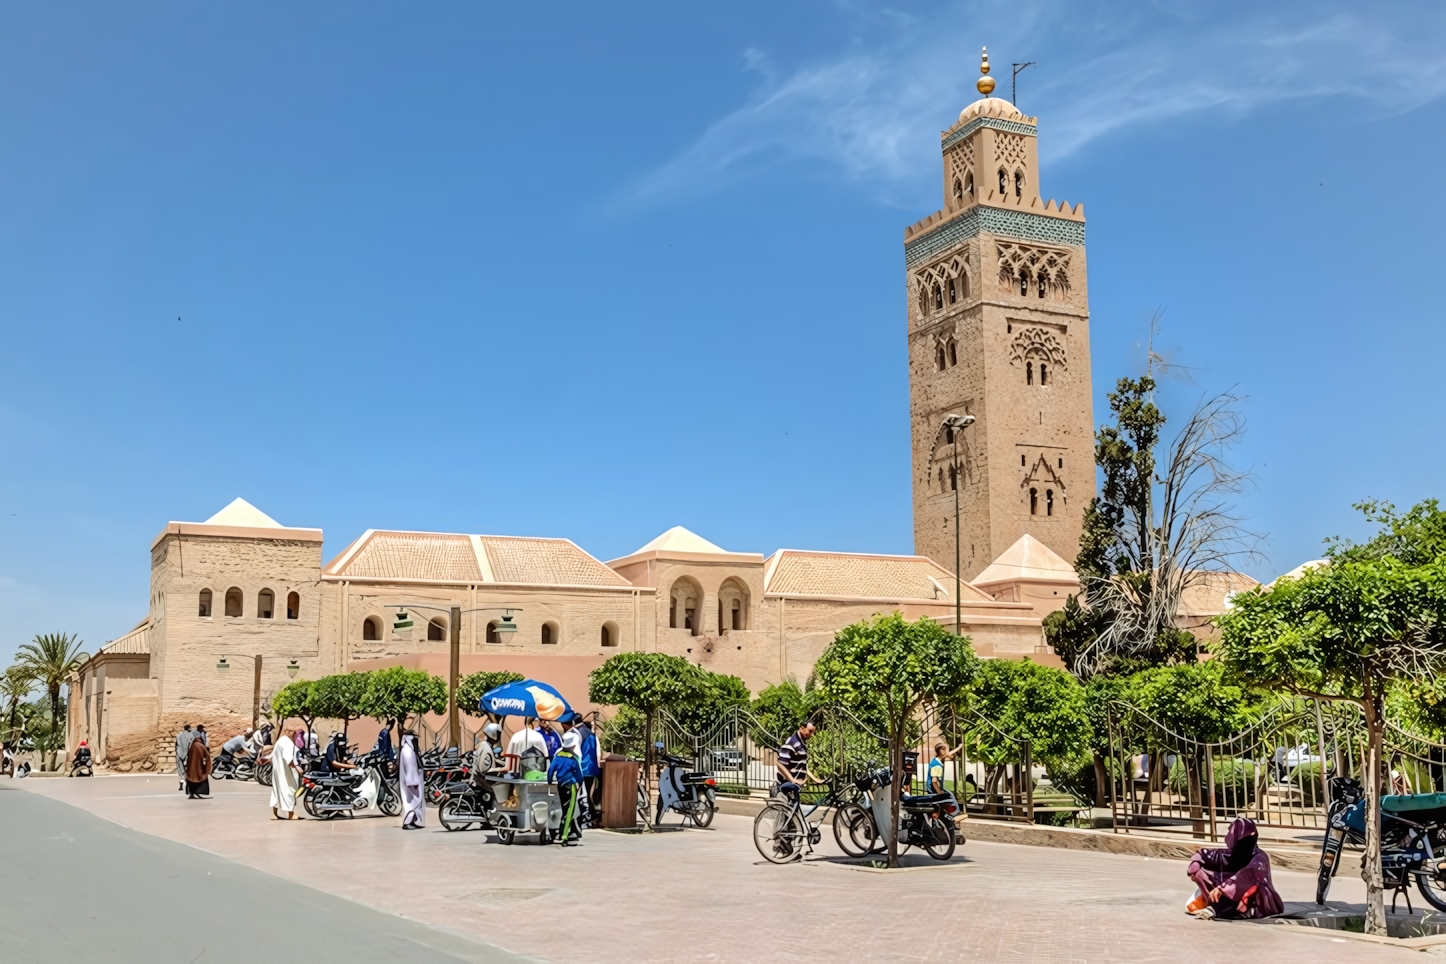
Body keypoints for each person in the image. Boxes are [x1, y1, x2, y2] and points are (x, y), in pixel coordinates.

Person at [1185, 816, 1283, 919]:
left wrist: (1222, 889)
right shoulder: (1230, 855)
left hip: (1256, 901)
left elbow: (1246, 875)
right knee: (1200, 873)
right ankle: (1211, 901)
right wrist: (1196, 862)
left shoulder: (1260, 858)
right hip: (1225, 893)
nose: (1246, 843)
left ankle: (1217, 908)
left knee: (1252, 889)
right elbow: (1205, 854)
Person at [548, 736, 585, 846]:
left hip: (560, 786)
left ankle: (561, 832)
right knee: (569, 812)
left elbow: (551, 770)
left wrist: (550, 781)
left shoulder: (557, 757)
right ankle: (564, 836)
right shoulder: (573, 759)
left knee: (564, 810)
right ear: (573, 746)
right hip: (571, 786)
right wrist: (580, 784)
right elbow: (579, 775)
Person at [775, 721, 820, 803]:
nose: (812, 735)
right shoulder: (792, 742)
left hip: (794, 786)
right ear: (802, 728)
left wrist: (816, 780)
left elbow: (802, 766)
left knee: (794, 813)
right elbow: (780, 765)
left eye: (813, 732)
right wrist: (793, 780)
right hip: (787, 786)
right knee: (788, 812)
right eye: (810, 731)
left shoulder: (800, 744)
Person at [265, 726, 303, 820]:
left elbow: (273, 755)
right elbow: (288, 759)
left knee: (277, 791)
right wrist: (297, 768)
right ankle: (291, 814)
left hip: (278, 771)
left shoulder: (281, 740)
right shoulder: (288, 743)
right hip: (286, 772)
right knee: (290, 790)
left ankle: (274, 813)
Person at [574, 713, 601, 827]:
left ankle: (585, 817)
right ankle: (592, 816)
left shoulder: (577, 734)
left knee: (578, 794)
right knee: (588, 794)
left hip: (582, 768)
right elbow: (598, 753)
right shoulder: (592, 735)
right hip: (592, 768)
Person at [399, 730, 424, 829]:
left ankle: (413, 821)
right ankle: (407, 822)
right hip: (411, 781)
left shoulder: (409, 750)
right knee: (411, 802)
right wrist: (412, 781)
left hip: (414, 780)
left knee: (415, 801)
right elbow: (410, 767)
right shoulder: (407, 751)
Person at [185, 726, 211, 799]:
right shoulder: (199, 745)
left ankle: (192, 793)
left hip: (191, 766)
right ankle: (197, 792)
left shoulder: (193, 745)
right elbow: (206, 755)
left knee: (191, 778)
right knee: (200, 777)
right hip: (199, 767)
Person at [175, 724, 194, 792]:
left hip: (179, 754)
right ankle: (188, 785)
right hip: (187, 755)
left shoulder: (179, 736)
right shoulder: (191, 736)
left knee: (180, 770)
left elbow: (176, 745)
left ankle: (181, 786)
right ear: (189, 729)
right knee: (187, 770)